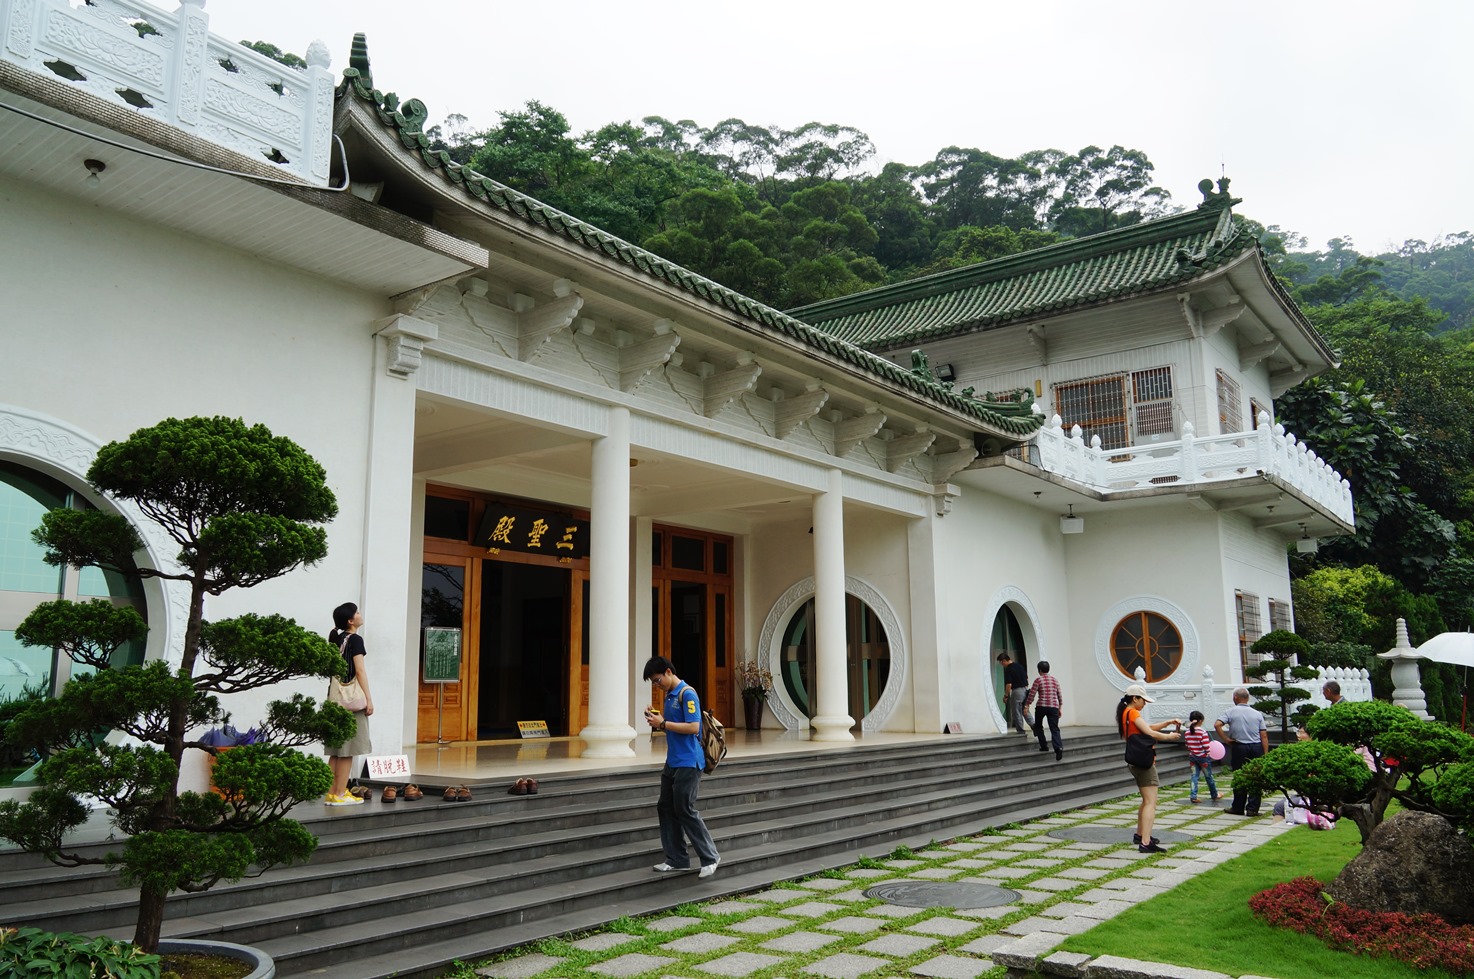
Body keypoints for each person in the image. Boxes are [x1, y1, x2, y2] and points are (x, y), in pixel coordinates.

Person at [642, 655, 720, 878]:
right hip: (673, 761)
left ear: (668, 672)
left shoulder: (688, 694)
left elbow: (693, 726)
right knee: (665, 806)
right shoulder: (669, 696)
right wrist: (657, 719)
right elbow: (673, 726)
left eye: (658, 680)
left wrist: (663, 723)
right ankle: (677, 859)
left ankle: (710, 857)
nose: (657, 686)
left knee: (685, 808)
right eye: (653, 683)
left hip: (689, 761)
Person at [1117, 684, 1184, 853]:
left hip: (1135, 761)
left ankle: (1140, 835)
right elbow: (1151, 733)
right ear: (1135, 698)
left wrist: (1167, 722)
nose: (1144, 703)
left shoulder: (1126, 713)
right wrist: (1170, 737)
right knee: (1150, 803)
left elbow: (1147, 728)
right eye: (1143, 700)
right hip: (1144, 763)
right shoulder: (1133, 712)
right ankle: (1146, 842)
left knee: (1146, 801)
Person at [325, 601, 373, 806]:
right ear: (350, 621)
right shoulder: (356, 640)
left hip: (334, 699)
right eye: (358, 612)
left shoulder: (335, 639)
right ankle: (340, 794)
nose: (361, 615)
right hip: (351, 702)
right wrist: (369, 699)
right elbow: (360, 671)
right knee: (347, 751)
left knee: (336, 750)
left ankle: (332, 792)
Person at [1215, 687, 1269, 816]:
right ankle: (1252, 809)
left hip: (1239, 747)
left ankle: (1238, 807)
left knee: (1240, 776)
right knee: (1256, 778)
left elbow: (1217, 724)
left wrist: (1226, 739)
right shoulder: (1257, 713)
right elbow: (1264, 735)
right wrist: (1265, 754)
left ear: (1235, 698)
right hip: (1256, 747)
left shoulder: (1230, 712)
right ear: (1248, 698)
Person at [1023, 660, 1064, 760]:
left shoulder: (1038, 680)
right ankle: (1058, 747)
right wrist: (1060, 708)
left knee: (1038, 726)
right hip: (1053, 707)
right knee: (1054, 728)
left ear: (1040, 670)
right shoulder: (1055, 680)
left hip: (1041, 706)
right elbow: (1059, 695)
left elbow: (1032, 694)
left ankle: (1044, 746)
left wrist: (1027, 705)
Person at [1182, 710, 1219, 805]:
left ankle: (1193, 796)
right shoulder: (1202, 732)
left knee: (1194, 776)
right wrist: (1208, 753)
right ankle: (1214, 794)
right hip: (1203, 757)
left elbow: (1187, 745)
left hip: (1192, 757)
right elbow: (1206, 745)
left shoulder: (1187, 732)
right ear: (1200, 721)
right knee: (1209, 777)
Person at [997, 652, 1029, 734]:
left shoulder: (1009, 669)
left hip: (1017, 691)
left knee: (1017, 711)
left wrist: (1006, 695)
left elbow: (1009, 684)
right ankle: (1033, 724)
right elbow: (1026, 677)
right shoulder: (1020, 666)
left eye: (1001, 663)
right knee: (1025, 709)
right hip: (1025, 689)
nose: (1002, 665)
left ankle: (1020, 729)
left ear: (1004, 660)